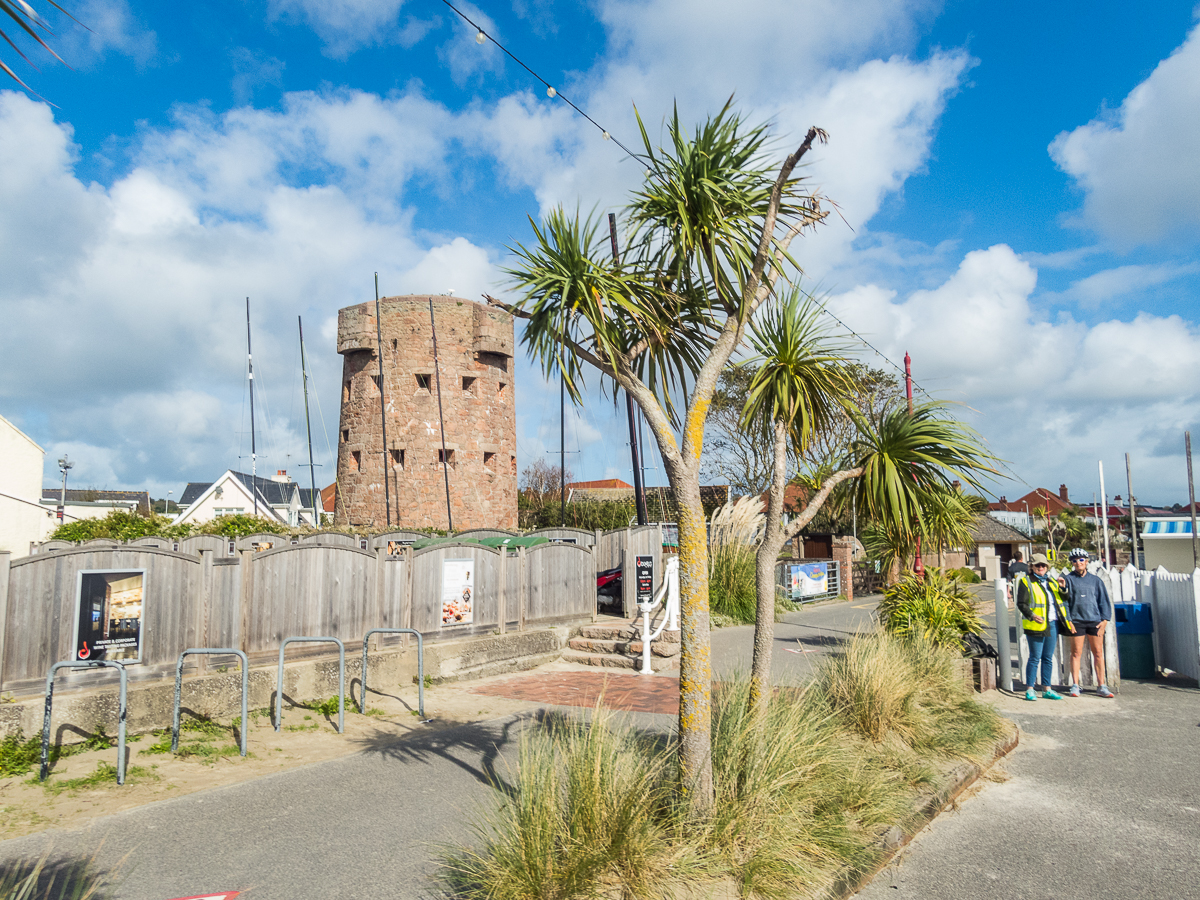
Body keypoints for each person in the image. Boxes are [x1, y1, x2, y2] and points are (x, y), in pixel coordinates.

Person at [1014, 553, 1074, 701]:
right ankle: (1030, 689)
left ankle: (1047, 689)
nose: (1041, 568)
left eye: (1043, 565)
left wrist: (1063, 588)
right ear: (1032, 567)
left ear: (1047, 567)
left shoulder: (1052, 581)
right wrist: (1032, 615)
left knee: (1048, 658)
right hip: (1036, 624)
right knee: (1035, 657)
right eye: (1038, 565)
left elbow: (1064, 598)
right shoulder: (1026, 582)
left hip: (1052, 623)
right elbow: (1021, 604)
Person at [1060, 548, 1115, 698]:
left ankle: (1101, 686)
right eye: (1075, 560)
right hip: (1076, 621)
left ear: (1087, 561)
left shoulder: (1096, 580)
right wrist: (1068, 620)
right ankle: (1075, 685)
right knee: (1076, 653)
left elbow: (1104, 601)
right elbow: (1064, 601)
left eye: (1081, 559)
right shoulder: (1068, 579)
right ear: (1072, 563)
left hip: (1095, 621)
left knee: (1098, 653)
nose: (1078, 563)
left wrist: (1104, 621)